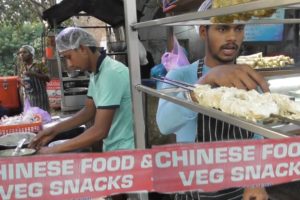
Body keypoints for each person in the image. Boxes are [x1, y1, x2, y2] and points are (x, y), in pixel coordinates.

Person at [156, 0, 269, 199]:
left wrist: (257, 180)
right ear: (203, 32)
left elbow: (256, 137)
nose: (232, 37)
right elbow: (164, 125)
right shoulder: (180, 77)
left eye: (238, 28)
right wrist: (204, 83)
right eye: (223, 28)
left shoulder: (246, 78)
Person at [29, 27, 134, 156]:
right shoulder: (96, 72)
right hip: (114, 148)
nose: (69, 65)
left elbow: (100, 131)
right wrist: (53, 130)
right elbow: (88, 111)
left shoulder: (111, 73)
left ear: (83, 48)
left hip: (126, 152)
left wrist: (52, 150)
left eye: (69, 57)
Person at [17, 45, 50, 112]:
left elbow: (48, 78)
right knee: (32, 117)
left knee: (43, 117)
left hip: (41, 97)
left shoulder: (39, 64)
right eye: (20, 53)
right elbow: (21, 79)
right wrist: (21, 81)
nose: (21, 55)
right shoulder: (22, 66)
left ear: (31, 54)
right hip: (29, 97)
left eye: (24, 52)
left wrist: (34, 74)